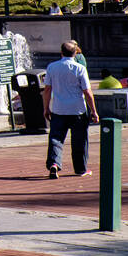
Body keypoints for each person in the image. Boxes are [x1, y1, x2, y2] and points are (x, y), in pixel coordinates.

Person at [42, 40, 99, 178]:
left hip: (58, 109)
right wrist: (94, 111)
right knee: (79, 140)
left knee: (56, 138)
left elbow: (47, 90)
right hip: (77, 110)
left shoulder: (52, 67)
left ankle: (54, 164)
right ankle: (80, 169)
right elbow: (87, 91)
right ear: (75, 53)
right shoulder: (80, 68)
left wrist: (46, 108)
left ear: (61, 52)